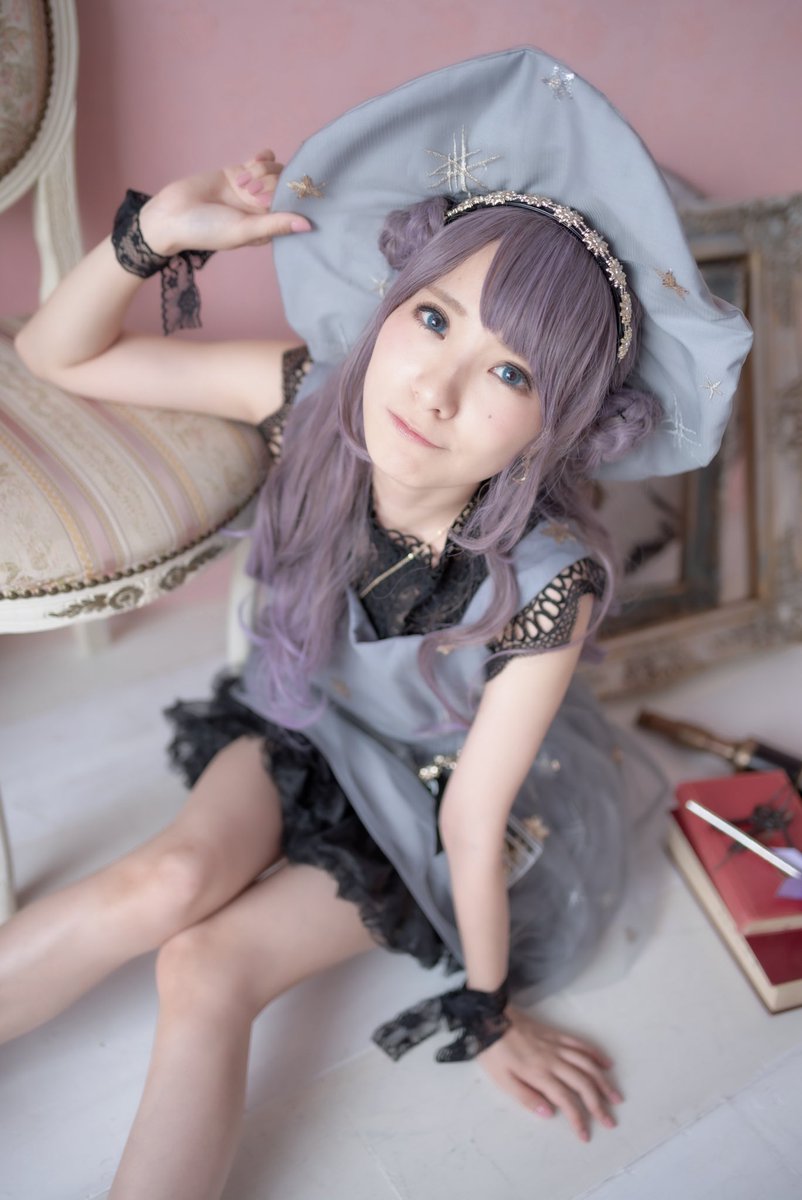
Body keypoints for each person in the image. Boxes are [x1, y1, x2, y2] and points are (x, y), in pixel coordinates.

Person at [4, 48, 751, 1200]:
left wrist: (487, 1008)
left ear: (562, 424)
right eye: (435, 317)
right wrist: (152, 234)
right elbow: (57, 354)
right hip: (302, 718)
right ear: (392, 298)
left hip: (430, 799)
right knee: (157, 883)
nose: (436, 391)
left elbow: (470, 822)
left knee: (207, 967)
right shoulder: (311, 395)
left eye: (510, 375)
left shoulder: (548, 585)